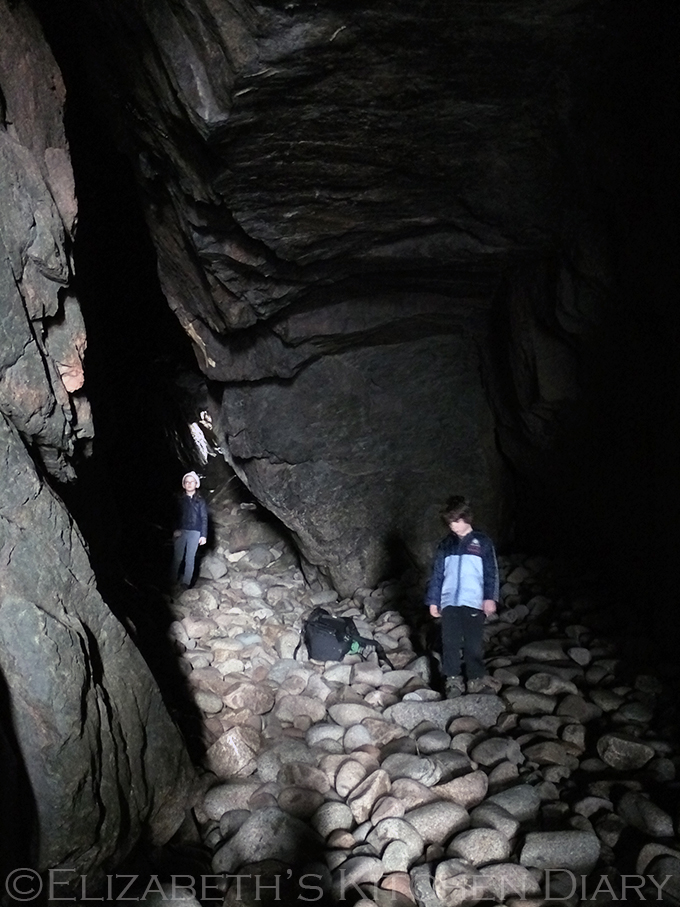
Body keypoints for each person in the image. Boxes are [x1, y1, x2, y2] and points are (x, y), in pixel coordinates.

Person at [425, 495, 499, 697]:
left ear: (466, 518)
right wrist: (434, 601)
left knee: (473, 643)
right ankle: (452, 680)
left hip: (473, 601)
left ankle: (475, 679)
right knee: (450, 642)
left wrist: (490, 598)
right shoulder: (445, 545)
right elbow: (437, 574)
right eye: (449, 521)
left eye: (456, 520)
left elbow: (491, 572)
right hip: (449, 601)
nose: (452, 525)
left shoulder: (482, 542)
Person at [171, 471, 208, 588]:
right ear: (183, 485)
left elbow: (204, 518)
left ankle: (186, 582)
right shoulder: (179, 500)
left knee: (190, 557)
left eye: (192, 482)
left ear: (196, 484)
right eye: (187, 482)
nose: (189, 484)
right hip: (181, 531)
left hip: (195, 532)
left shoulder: (200, 501)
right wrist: (175, 529)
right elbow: (175, 515)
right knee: (177, 557)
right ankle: (172, 580)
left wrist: (203, 535)